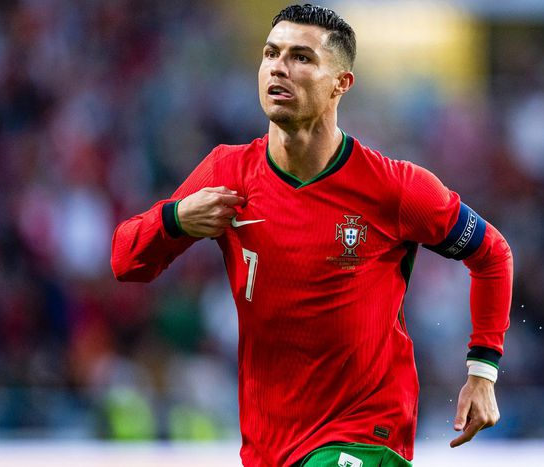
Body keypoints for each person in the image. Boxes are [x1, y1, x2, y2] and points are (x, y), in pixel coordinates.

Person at [111, 4, 513, 466]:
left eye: (301, 57)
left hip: (365, 435)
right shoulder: (228, 173)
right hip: (269, 446)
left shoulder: (394, 188)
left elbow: (492, 254)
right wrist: (175, 219)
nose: (279, 67)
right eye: (271, 53)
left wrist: (483, 371)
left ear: (341, 83)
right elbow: (125, 262)